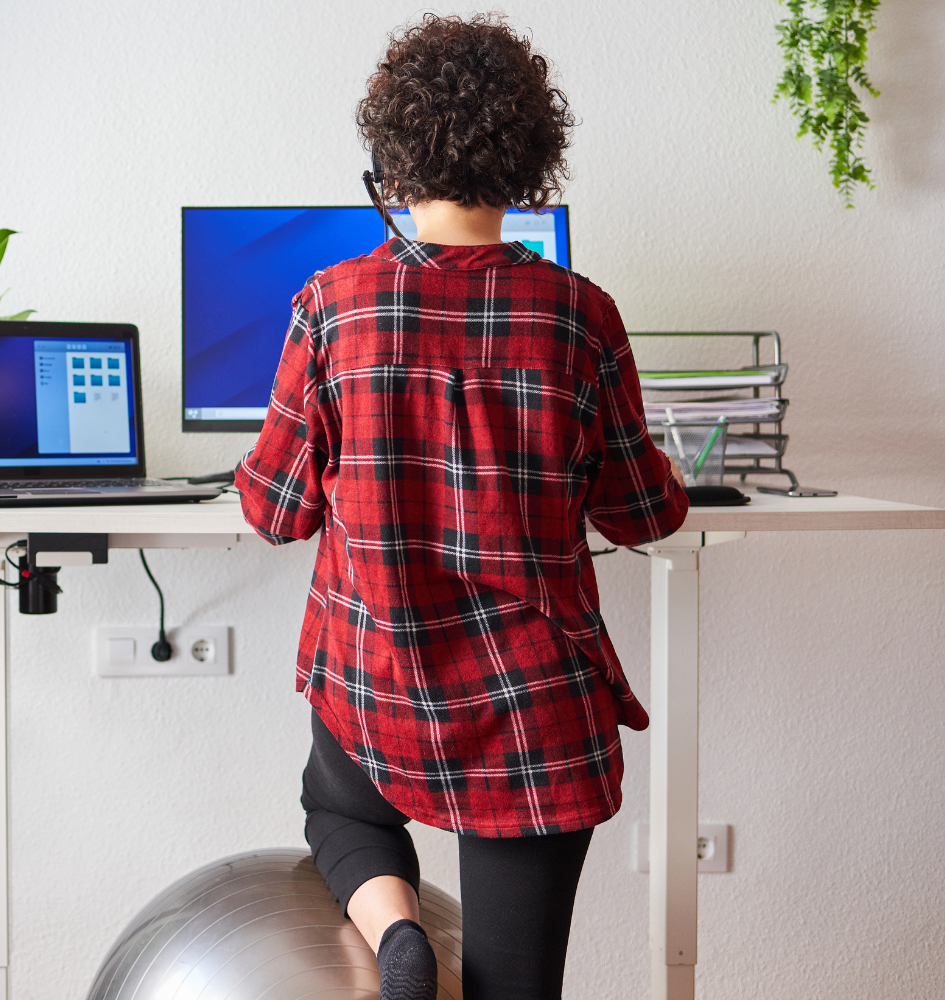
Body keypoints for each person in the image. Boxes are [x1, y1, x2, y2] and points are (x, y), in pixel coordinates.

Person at [234, 14, 690, 1000]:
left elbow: (275, 512)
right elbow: (642, 515)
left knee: (340, 809)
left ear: (391, 160)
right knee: (515, 988)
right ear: (532, 156)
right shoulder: (582, 313)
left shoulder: (332, 304)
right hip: (534, 714)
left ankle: (399, 933)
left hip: (379, 688)